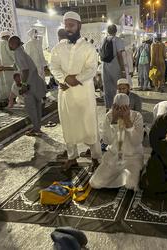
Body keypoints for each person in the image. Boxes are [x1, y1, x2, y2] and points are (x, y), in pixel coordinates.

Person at [50, 11, 101, 169]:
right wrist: (64, 79)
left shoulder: (88, 48)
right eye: (66, 25)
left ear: (79, 26)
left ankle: (96, 157)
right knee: (68, 124)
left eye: (71, 25)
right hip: (65, 94)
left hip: (84, 93)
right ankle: (72, 157)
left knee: (89, 124)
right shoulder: (58, 48)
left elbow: (91, 69)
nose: (68, 28)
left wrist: (74, 79)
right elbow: (53, 66)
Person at [89, 93, 144, 191]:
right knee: (95, 183)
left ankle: (127, 175)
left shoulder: (136, 116)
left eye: (123, 108)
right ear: (113, 106)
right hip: (114, 156)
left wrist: (128, 121)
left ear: (129, 107)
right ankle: (119, 176)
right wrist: (114, 121)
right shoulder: (109, 116)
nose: (120, 111)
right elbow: (107, 141)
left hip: (133, 157)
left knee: (131, 185)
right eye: (117, 107)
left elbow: (137, 141)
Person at [9, 36, 47, 136]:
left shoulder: (18, 52)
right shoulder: (21, 51)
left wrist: (24, 84)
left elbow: (25, 70)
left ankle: (36, 128)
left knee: (31, 107)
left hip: (30, 83)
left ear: (14, 43)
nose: (9, 45)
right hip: (35, 81)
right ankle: (37, 127)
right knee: (37, 106)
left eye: (10, 43)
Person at [101, 24, 125, 111]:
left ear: (108, 31)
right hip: (115, 65)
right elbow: (119, 55)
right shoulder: (118, 40)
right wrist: (122, 69)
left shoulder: (103, 40)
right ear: (116, 31)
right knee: (117, 87)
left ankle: (108, 107)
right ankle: (117, 107)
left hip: (105, 66)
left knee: (107, 87)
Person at [0, 30, 15, 101]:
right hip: (9, 67)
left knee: (3, 83)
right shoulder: (7, 43)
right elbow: (12, 54)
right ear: (7, 36)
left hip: (1, 67)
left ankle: (6, 98)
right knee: (11, 82)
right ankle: (12, 98)